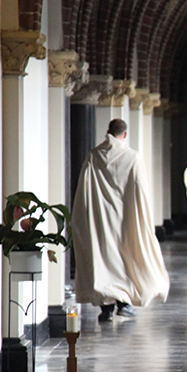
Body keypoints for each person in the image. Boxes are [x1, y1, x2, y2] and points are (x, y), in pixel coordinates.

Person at [72, 118, 169, 322]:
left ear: (107, 132)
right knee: (124, 258)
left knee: (104, 258)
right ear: (124, 135)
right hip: (124, 216)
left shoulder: (94, 155)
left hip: (100, 216)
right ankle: (123, 303)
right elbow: (140, 189)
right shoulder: (132, 157)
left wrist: (83, 216)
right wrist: (143, 218)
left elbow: (84, 188)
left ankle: (106, 306)